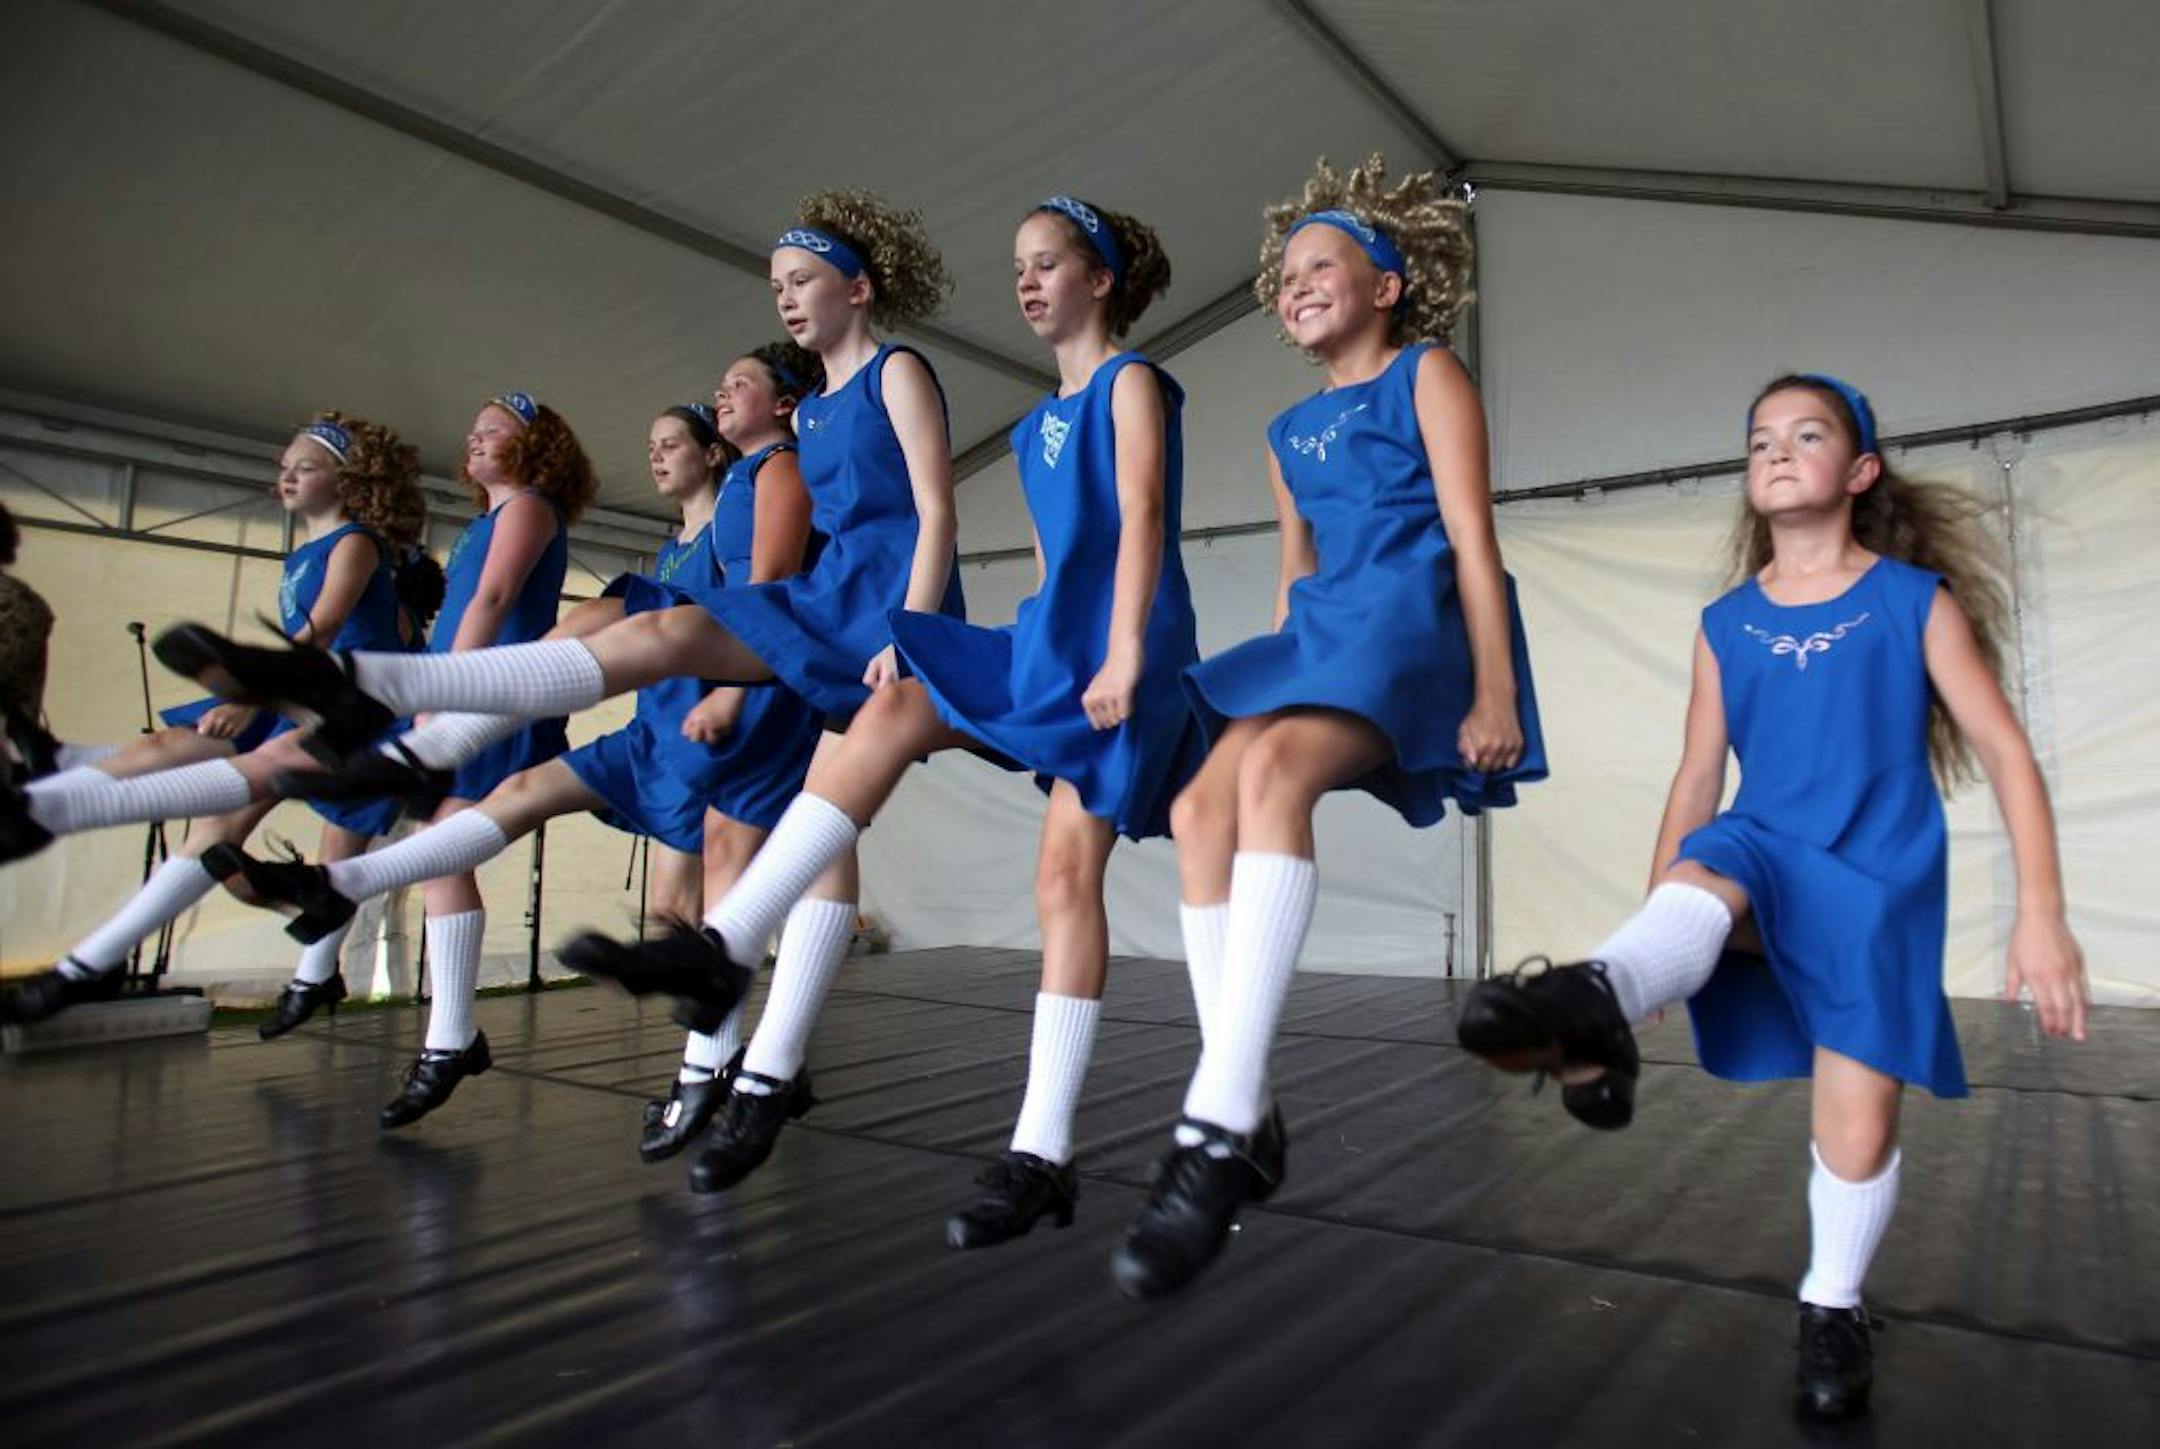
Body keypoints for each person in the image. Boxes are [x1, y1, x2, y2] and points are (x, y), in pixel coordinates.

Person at [1455, 373, 2088, 1419]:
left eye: (1806, 435)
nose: (1778, 452)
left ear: (1861, 471)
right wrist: (1652, 922)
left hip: (1875, 882)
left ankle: (1831, 1303)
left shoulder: (1909, 602)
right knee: (1714, 858)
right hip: (1760, 853)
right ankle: (1600, 994)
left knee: (1857, 1127)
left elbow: (2008, 754)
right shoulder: (1726, 623)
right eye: (1760, 442)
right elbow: (1698, 777)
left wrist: (2042, 913)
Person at [1111, 154, 1546, 1299]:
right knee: (1208, 788)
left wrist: (1493, 691)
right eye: (1288, 273)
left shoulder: (1429, 377)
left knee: (1278, 778)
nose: (1297, 284)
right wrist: (1262, 693)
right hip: (1320, 636)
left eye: (1324, 266)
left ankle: (1212, 1133)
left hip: (1409, 630)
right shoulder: (1286, 431)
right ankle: (1244, 1104)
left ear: (1389, 286)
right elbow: (1296, 577)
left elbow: (1473, 543)